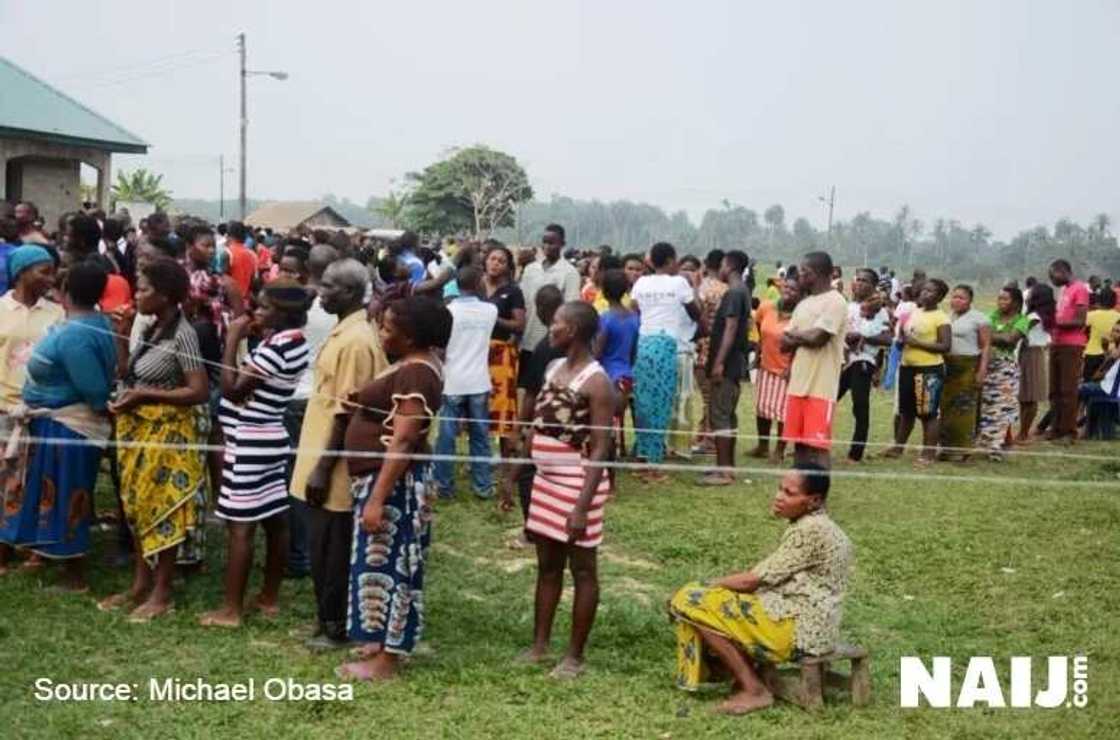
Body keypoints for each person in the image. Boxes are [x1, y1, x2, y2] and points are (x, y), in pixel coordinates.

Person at [668, 464, 852, 716]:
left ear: (814, 500)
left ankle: (753, 688)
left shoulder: (810, 530)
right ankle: (726, 670)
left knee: (691, 600)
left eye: (789, 493)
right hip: (815, 625)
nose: (778, 497)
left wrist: (705, 586)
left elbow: (752, 581)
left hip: (798, 630)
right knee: (704, 601)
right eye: (780, 489)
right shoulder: (819, 525)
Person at [336, 296, 451, 681]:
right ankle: (377, 641)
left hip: (395, 486)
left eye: (387, 329)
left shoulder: (418, 373)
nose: (381, 334)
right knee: (376, 565)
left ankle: (387, 661)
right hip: (383, 480)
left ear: (410, 335)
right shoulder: (409, 364)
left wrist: (377, 498)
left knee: (394, 567)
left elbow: (403, 440)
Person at [509, 301, 615, 680]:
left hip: (577, 485)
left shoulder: (597, 382)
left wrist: (582, 507)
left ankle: (574, 656)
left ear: (573, 330)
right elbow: (535, 426)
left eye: (556, 323)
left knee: (583, 570)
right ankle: (539, 646)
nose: (550, 328)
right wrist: (516, 473)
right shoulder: (554, 367)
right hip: (546, 482)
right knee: (547, 566)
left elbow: (601, 448)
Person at [100, 258, 209, 619]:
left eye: (144, 289)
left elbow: (198, 391)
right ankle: (139, 585)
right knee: (138, 507)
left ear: (164, 296)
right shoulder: (149, 328)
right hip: (138, 433)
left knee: (164, 509)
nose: (137, 294)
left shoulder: (184, 334)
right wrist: (122, 333)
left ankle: (162, 593)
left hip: (168, 436)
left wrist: (147, 396)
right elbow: (126, 373)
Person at [200, 279, 311, 628]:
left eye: (263, 307)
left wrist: (232, 338)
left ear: (282, 313)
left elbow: (232, 391)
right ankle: (268, 597)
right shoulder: (295, 342)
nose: (256, 313)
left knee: (241, 527)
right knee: (275, 520)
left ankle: (230, 610)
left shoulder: (274, 349)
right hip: (271, 436)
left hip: (247, 440)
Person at [290, 259, 387, 651]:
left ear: (349, 293)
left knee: (332, 546)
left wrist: (322, 469)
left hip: (333, 465)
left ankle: (334, 625)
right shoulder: (343, 331)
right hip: (317, 454)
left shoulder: (357, 341)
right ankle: (324, 618)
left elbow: (347, 412)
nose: (319, 291)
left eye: (328, 286)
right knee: (321, 542)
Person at [0, 261, 116, 590]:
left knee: (69, 493)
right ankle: (52, 554)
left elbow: (93, 391)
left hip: (69, 426)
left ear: (65, 292)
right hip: (55, 424)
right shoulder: (90, 323)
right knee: (55, 492)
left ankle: (74, 574)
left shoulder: (77, 334)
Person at [0, 246, 65, 575]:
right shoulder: (1, 309)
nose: (50, 278)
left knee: (38, 478)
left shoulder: (56, 314)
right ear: (21, 272)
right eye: (42, 271)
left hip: (42, 409)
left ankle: (34, 546)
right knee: (4, 477)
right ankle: (3, 546)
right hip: (5, 407)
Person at [630, 242, 700, 481]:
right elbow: (695, 312)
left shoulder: (641, 282)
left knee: (643, 402)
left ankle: (641, 455)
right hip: (665, 344)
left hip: (644, 344)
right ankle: (654, 466)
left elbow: (634, 309)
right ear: (670, 260)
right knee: (661, 404)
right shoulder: (678, 283)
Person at [505, 286, 566, 536]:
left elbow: (531, 393)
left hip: (545, 419)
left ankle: (533, 528)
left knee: (527, 472)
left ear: (540, 310)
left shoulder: (544, 346)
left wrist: (518, 428)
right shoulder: (572, 341)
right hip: (569, 419)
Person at [433, 267, 498, 499]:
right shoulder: (490, 310)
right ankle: (482, 486)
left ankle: (443, 486)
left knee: (446, 437)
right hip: (479, 381)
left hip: (452, 381)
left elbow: (440, 350)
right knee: (480, 436)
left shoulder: (447, 312)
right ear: (479, 283)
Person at [780, 252, 848, 465]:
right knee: (798, 444)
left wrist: (799, 336)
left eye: (804, 272)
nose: (799, 276)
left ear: (818, 274)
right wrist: (805, 336)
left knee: (817, 447)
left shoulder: (835, 302)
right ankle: (800, 490)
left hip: (821, 387)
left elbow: (819, 338)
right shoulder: (803, 304)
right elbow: (783, 342)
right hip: (798, 385)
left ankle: (818, 495)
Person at [884, 279, 951, 465]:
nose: (924, 293)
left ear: (939, 297)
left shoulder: (941, 318)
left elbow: (945, 346)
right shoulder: (914, 312)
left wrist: (918, 344)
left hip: (929, 370)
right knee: (906, 411)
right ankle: (898, 447)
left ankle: (927, 454)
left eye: (930, 291)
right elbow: (906, 335)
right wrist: (901, 340)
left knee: (928, 413)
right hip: (907, 367)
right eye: (924, 290)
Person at [701, 250, 751, 485]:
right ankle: (726, 467)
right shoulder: (743, 291)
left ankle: (724, 472)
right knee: (727, 416)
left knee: (719, 415)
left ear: (729, 265)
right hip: (735, 363)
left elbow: (730, 329)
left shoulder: (733, 293)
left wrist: (718, 362)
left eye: (721, 264)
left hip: (728, 364)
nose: (718, 269)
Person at [838, 269, 891, 463]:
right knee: (826, 402)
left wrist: (863, 337)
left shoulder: (879, 310)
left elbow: (888, 338)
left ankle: (856, 453)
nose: (859, 283)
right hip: (841, 361)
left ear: (873, 285)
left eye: (865, 281)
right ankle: (814, 444)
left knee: (860, 407)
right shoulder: (846, 306)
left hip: (863, 361)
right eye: (857, 279)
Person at [518, 225, 581, 386]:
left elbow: (570, 309)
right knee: (528, 386)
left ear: (562, 244)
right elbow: (524, 303)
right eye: (544, 242)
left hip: (553, 340)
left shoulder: (569, 273)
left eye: (552, 243)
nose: (547, 247)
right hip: (528, 338)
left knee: (548, 385)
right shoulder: (531, 269)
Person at [481, 242, 526, 461]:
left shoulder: (512, 292)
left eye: (501, 261)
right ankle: (480, 449)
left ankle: (504, 452)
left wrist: (492, 316)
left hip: (500, 353)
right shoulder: (477, 286)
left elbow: (519, 325)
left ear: (508, 267)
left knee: (500, 401)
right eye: (492, 259)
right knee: (478, 401)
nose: (495, 264)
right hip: (477, 351)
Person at [750, 277, 801, 463]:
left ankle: (780, 450)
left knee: (783, 412)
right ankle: (762, 446)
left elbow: (801, 345)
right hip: (765, 365)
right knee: (762, 408)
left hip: (786, 369)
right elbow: (760, 331)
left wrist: (792, 367)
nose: (788, 291)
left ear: (801, 294)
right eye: (786, 286)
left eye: (794, 289)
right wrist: (757, 357)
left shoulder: (801, 315)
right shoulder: (766, 307)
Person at [976, 287, 1030, 461]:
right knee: (987, 405)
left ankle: (996, 447)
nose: (1000, 302)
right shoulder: (992, 315)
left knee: (1002, 408)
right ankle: (986, 443)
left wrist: (988, 335)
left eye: (1005, 299)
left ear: (1015, 301)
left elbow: (1010, 339)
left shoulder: (1022, 320)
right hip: (988, 365)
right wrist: (997, 335)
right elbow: (988, 335)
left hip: (1005, 368)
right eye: (999, 298)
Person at [939, 285, 991, 460]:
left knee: (965, 408)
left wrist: (982, 370)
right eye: (954, 297)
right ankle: (946, 448)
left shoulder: (980, 319)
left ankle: (964, 450)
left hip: (968, 366)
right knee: (946, 407)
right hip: (948, 366)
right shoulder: (948, 317)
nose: (956, 301)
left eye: (961, 298)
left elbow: (985, 346)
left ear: (970, 300)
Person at [593, 269, 639, 468]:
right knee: (614, 420)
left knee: (604, 425)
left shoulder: (605, 318)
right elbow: (634, 350)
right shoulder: (634, 318)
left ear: (603, 290)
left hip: (607, 376)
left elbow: (598, 350)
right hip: (626, 374)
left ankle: (606, 468)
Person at [1047, 260, 1089, 443]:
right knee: (1055, 390)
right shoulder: (1064, 290)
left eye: (1052, 275)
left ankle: (1069, 432)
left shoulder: (1080, 289)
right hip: (1057, 343)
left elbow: (1080, 321)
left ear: (1063, 271)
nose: (1051, 279)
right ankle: (1056, 428)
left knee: (1068, 390)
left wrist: (1055, 323)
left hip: (1072, 345)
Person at [693, 250, 727, 453]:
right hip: (717, 347)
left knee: (707, 396)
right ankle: (708, 436)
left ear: (705, 264)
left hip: (699, 347)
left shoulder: (699, 289)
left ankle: (706, 435)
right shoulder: (726, 290)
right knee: (711, 397)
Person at [1018, 284, 1054, 442]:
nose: (1027, 296)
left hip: (1030, 355)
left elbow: (1017, 332)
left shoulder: (1033, 317)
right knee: (1025, 396)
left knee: (1029, 395)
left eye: (1030, 294)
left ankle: (1024, 433)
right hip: (1032, 353)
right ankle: (1023, 431)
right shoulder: (1041, 316)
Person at [1083, 289, 1120, 380]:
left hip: (1091, 353)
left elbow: (1082, 330)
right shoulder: (1118, 316)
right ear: (1114, 302)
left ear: (1099, 300)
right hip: (1110, 354)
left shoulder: (1090, 315)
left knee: (1088, 381)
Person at [224, 221, 257, 297]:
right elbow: (252, 279)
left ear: (228, 235)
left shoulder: (227, 253)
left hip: (229, 300)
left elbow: (222, 280)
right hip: (244, 300)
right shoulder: (252, 254)